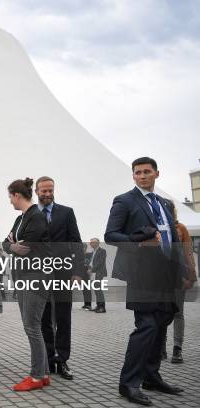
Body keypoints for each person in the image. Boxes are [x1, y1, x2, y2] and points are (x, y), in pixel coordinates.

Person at [105, 157, 185, 406]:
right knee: (147, 326)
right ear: (133, 176)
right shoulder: (125, 200)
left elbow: (171, 237)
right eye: (137, 172)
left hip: (165, 275)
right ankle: (128, 383)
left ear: (156, 174)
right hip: (142, 274)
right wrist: (138, 243)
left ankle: (151, 377)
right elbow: (111, 234)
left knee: (161, 325)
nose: (142, 176)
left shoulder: (162, 203)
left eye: (146, 172)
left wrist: (181, 270)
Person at [3, 178, 51, 392]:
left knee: (31, 326)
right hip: (23, 277)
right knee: (34, 326)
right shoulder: (21, 218)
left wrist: (13, 244)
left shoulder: (36, 217)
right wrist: (13, 244)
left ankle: (36, 376)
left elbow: (26, 248)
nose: (10, 202)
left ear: (16, 195)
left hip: (36, 277)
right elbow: (6, 243)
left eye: (10, 198)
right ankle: (45, 373)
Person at [36, 176, 83, 381]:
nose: (47, 194)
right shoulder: (29, 213)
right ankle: (47, 358)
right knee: (44, 317)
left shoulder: (66, 212)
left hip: (63, 273)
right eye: (43, 191)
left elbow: (76, 242)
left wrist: (77, 272)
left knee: (64, 317)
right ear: (36, 191)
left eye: (50, 190)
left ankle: (62, 359)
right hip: (39, 274)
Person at [162, 200, 196, 364]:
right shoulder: (154, 227)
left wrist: (191, 276)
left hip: (178, 277)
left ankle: (177, 349)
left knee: (177, 312)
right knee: (159, 313)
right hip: (158, 278)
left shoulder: (181, 228)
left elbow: (188, 253)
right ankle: (160, 346)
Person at [87, 238, 107, 313]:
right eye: (91, 242)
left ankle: (102, 307)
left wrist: (92, 270)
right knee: (96, 290)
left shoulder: (102, 251)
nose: (92, 244)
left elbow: (100, 262)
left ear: (98, 243)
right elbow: (91, 262)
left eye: (94, 242)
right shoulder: (93, 252)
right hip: (93, 273)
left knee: (98, 290)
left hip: (98, 272)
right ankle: (98, 306)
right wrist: (89, 268)